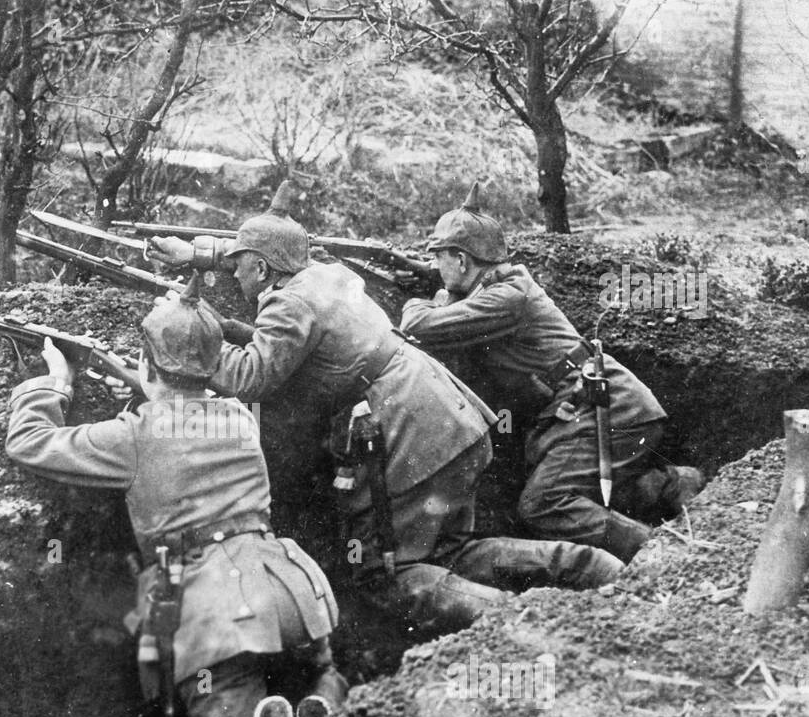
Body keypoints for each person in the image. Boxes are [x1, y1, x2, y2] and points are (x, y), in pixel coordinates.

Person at [145, 185, 622, 633]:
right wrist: (221, 312)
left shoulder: (288, 306)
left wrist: (194, 341)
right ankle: (588, 567)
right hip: (450, 425)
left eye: (239, 266)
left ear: (264, 269)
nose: (234, 274)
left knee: (386, 574)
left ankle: (516, 625)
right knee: (452, 553)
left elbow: (253, 377)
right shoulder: (325, 276)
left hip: (412, 439)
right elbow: (288, 344)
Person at [5, 293, 349, 717]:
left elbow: (29, 442)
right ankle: (322, 705)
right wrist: (147, 384)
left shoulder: (132, 436)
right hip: (290, 596)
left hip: (215, 620)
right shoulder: (239, 416)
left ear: (147, 364)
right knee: (320, 670)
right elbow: (188, 413)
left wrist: (55, 381)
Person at [400, 184, 705, 561]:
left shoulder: (508, 297)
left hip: (604, 407)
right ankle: (673, 485)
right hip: (596, 405)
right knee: (584, 490)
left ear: (462, 260)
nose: (435, 266)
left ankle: (658, 557)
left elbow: (419, 325)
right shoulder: (495, 291)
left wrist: (420, 300)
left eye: (439, 256)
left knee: (545, 503)